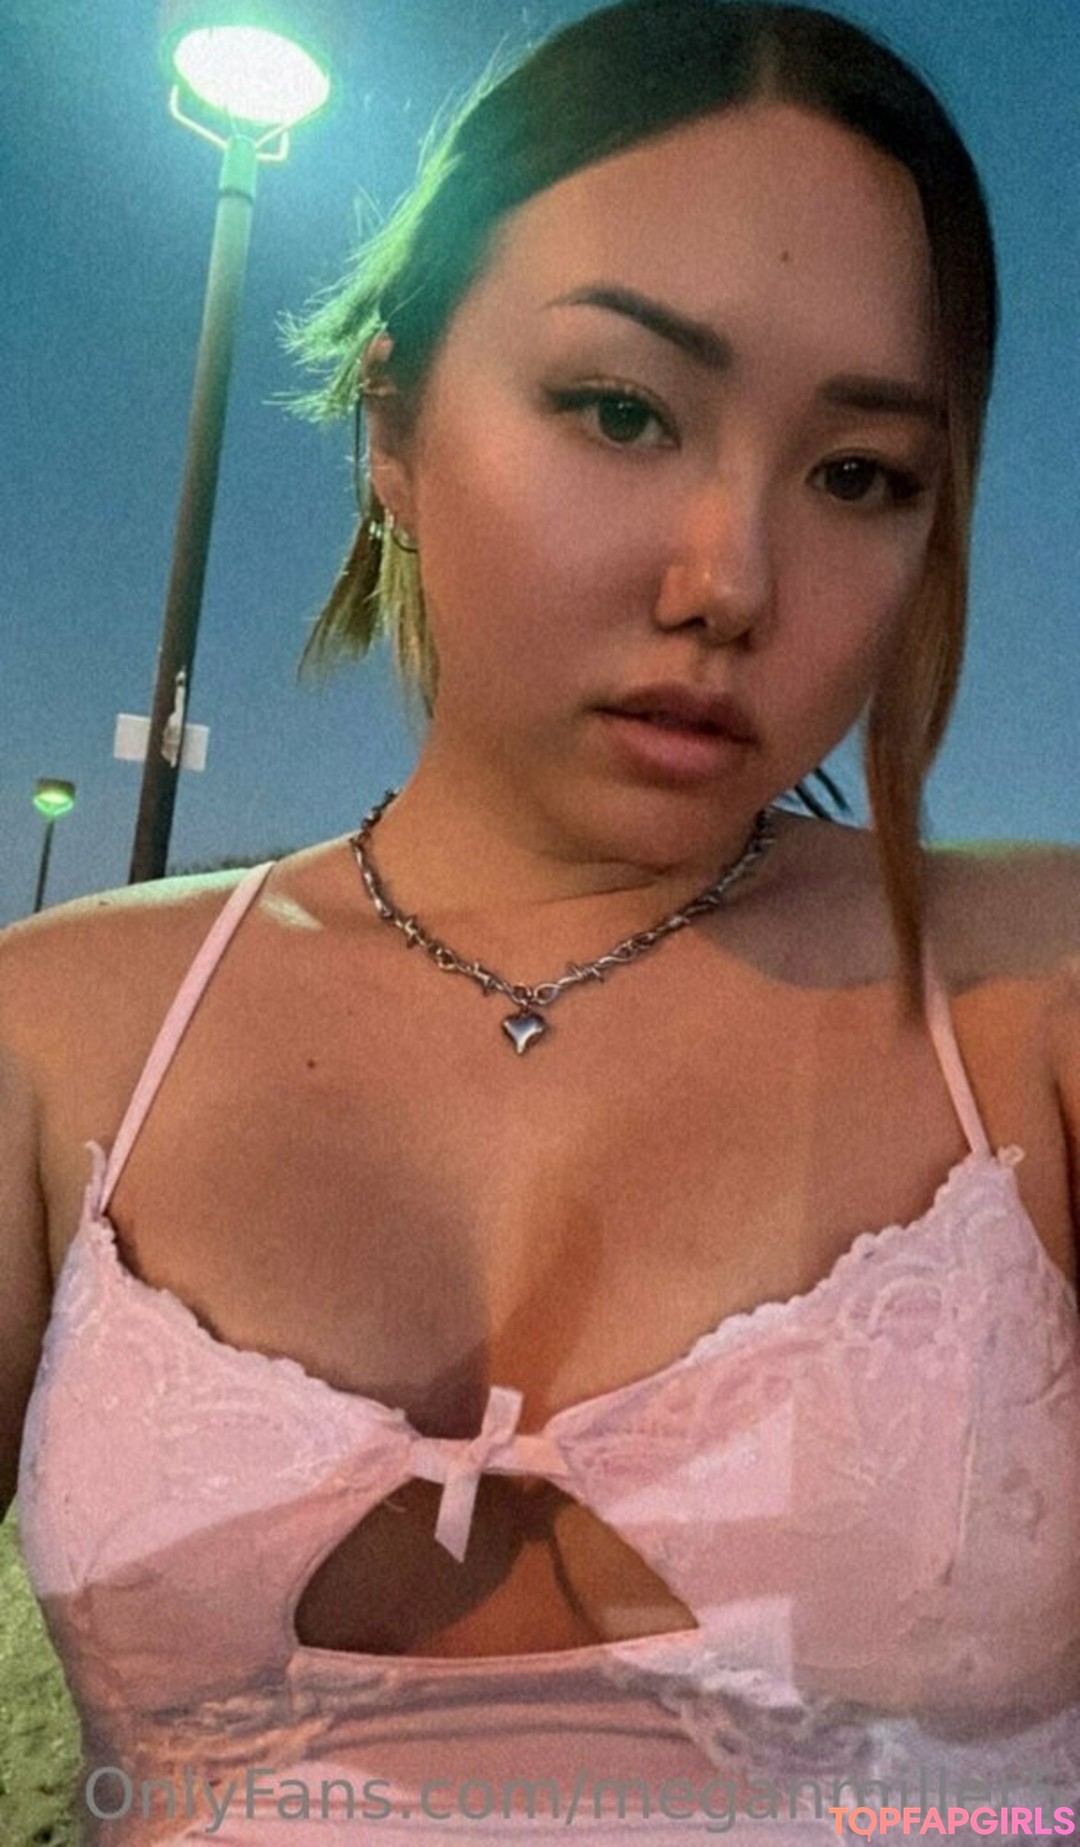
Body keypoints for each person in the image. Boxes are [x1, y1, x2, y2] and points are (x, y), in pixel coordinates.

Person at [2, 1, 1078, 1841]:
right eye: (621, 410)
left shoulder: (1029, 998)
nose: (730, 580)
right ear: (393, 423)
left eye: (857, 475)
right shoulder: (62, 1037)